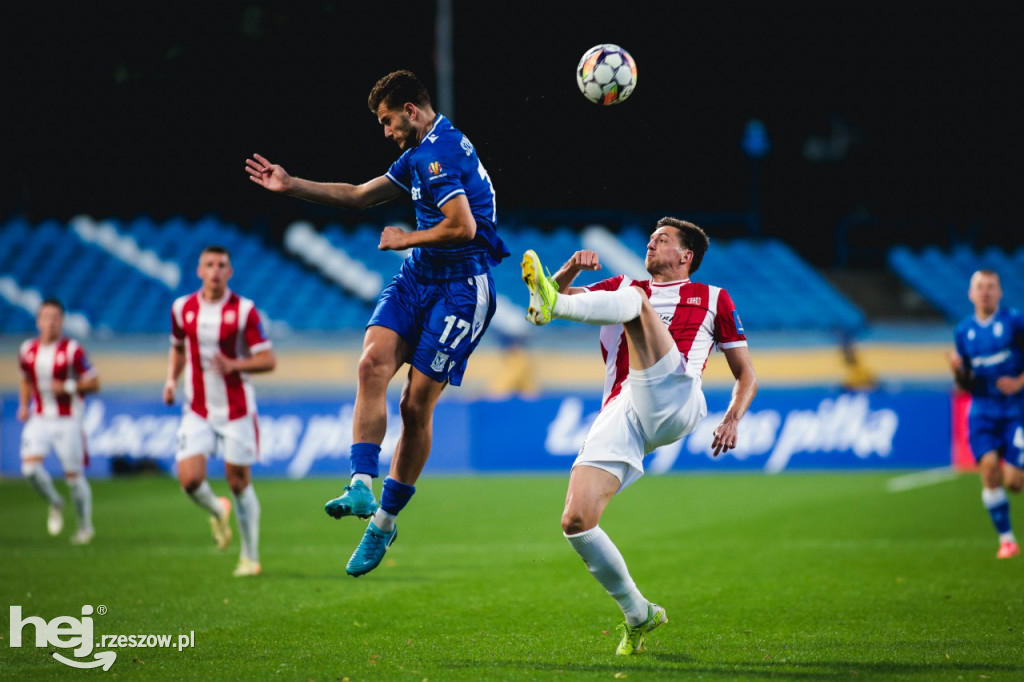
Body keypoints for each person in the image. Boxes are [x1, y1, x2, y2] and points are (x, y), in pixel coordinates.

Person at [245, 70, 508, 577]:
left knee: (414, 406)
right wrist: (290, 183)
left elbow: (464, 227)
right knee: (370, 365)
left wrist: (406, 238)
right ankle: (361, 484)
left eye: (388, 122)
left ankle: (384, 523)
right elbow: (360, 195)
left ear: (412, 110)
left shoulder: (437, 153)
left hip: (461, 291)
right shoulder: (421, 150)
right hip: (418, 280)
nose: (385, 132)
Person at [521, 217, 757, 655]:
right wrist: (570, 266)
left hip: (678, 396)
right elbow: (548, 301)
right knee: (576, 521)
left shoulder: (713, 298)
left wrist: (733, 418)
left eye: (662, 240)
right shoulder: (625, 284)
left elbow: (746, 374)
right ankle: (638, 612)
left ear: (686, 256)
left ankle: (637, 612)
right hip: (623, 409)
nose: (651, 244)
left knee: (633, 304)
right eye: (649, 239)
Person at [163, 245, 276, 577]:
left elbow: (268, 359)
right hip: (197, 408)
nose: (215, 270)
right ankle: (217, 509)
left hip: (237, 410)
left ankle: (250, 557)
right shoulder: (182, 308)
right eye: (209, 265)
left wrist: (234, 364)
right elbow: (178, 347)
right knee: (190, 480)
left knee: (238, 482)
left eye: (221, 265)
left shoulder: (244, 311)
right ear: (199, 270)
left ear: (230, 272)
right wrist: (171, 380)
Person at [947, 269, 1024, 560]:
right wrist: (957, 371)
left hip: (1016, 408)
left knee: (1015, 484)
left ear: (1000, 292)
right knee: (989, 469)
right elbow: (966, 383)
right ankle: (1007, 540)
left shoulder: (1015, 323)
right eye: (980, 287)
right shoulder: (963, 331)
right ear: (970, 293)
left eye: (991, 286)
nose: (985, 292)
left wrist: (1018, 382)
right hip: (982, 410)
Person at [18, 298, 100, 545]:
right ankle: (55, 501)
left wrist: (66, 386)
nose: (50, 323)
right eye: (46, 317)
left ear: (62, 321)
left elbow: (94, 382)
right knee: (30, 469)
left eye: (55, 318)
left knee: (74, 478)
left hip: (68, 420)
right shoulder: (27, 350)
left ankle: (85, 527)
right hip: (40, 417)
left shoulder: (73, 350)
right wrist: (23, 405)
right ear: (38, 321)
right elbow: (25, 378)